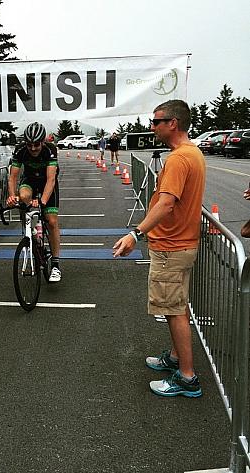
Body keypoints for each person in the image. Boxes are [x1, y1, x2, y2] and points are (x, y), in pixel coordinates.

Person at [112, 99, 205, 398]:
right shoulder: (192, 153)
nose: (152, 127)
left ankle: (187, 377)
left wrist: (135, 234)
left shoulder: (179, 159)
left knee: (174, 311)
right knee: (175, 307)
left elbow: (166, 204)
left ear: (172, 123)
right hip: (179, 245)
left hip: (171, 248)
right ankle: (176, 359)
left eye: (156, 121)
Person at [6, 122, 62, 282]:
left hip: (47, 184)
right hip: (29, 181)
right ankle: (29, 232)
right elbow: (13, 177)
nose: (33, 148)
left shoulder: (50, 149)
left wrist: (42, 202)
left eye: (36, 144)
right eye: (29, 144)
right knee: (23, 196)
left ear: (43, 142)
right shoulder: (20, 150)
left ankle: (56, 265)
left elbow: (51, 179)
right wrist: (12, 196)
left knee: (51, 221)